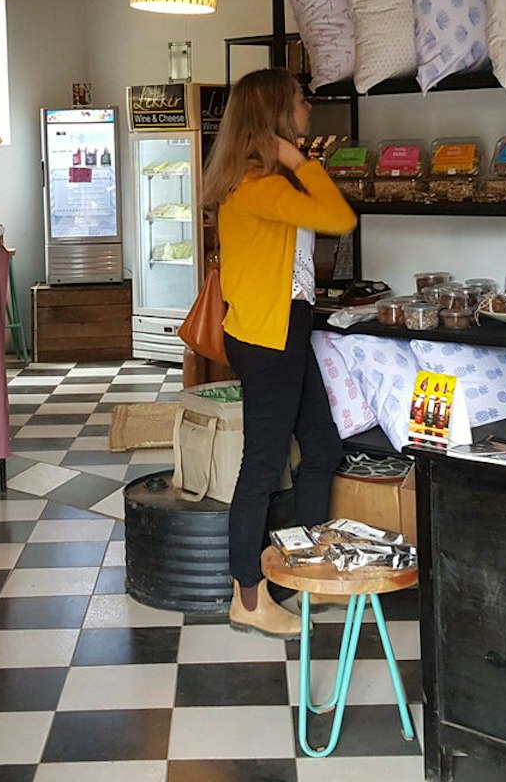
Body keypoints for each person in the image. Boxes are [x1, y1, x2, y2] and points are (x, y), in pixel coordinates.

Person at [204, 67, 356, 639]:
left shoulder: (258, 183)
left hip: (283, 330)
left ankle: (307, 573)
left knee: (321, 447)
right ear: (275, 114)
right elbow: (341, 219)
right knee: (264, 468)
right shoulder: (262, 185)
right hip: (271, 338)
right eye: (299, 101)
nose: (308, 108)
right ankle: (248, 596)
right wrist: (298, 161)